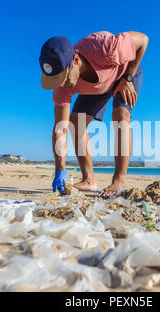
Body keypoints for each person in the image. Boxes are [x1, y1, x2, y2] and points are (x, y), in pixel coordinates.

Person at [39, 31, 148, 197]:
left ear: (75, 61)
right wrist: (60, 169)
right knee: (76, 123)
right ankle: (89, 180)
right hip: (98, 87)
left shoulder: (106, 47)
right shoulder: (62, 86)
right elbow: (60, 128)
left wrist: (128, 77)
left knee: (120, 115)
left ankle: (119, 180)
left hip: (125, 72)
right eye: (56, 80)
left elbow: (143, 40)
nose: (62, 84)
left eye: (64, 78)